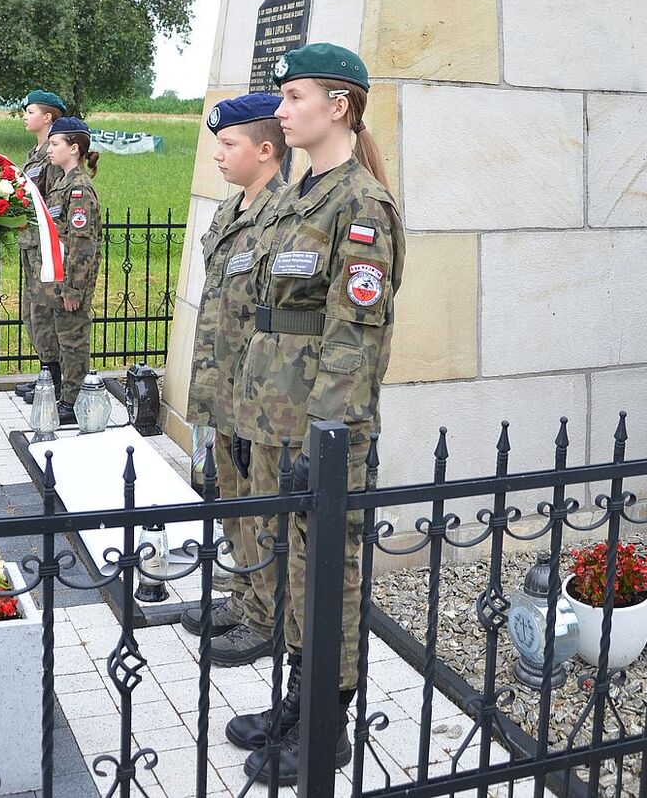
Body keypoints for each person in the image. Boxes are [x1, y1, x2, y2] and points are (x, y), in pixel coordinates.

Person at [227, 43, 405, 785]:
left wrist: (323, 439)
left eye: (295, 96)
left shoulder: (360, 204)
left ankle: (328, 723)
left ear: (340, 105)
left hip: (323, 429)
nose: (281, 109)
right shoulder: (303, 194)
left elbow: (352, 338)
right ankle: (301, 700)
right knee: (298, 569)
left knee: (328, 571)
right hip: (280, 417)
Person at [182, 94, 286, 666]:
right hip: (218, 386)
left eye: (229, 145)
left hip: (253, 394)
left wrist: (252, 403)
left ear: (265, 150)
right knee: (229, 497)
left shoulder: (281, 219)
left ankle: (266, 616)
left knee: (260, 504)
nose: (218, 155)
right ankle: (244, 593)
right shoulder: (231, 212)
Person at [40, 116, 101, 425]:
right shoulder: (60, 184)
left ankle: (73, 402)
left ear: (73, 148)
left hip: (71, 282)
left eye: (55, 144)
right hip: (59, 280)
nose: (49, 149)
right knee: (63, 339)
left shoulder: (78, 190)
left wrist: (74, 288)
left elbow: (82, 244)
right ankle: (67, 395)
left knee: (73, 341)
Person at [16, 89, 67, 404]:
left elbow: (55, 200)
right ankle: (45, 374)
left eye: (30, 110)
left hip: (45, 246)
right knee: (30, 312)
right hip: (30, 242)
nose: (25, 115)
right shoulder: (35, 153)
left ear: (48, 117)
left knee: (44, 312)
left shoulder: (54, 153)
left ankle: (54, 380)